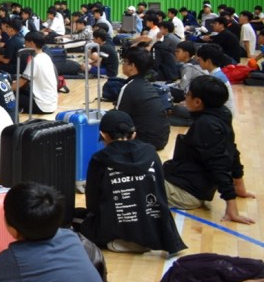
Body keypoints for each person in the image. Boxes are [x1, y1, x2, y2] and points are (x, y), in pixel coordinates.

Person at [77, 110, 186, 255]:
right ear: (133, 134)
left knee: (74, 217)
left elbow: (92, 201)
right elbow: (160, 191)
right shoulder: (150, 152)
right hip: (151, 227)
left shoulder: (100, 159)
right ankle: (142, 238)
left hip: (114, 227)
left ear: (104, 135)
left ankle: (122, 239)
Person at [162, 75, 255, 224]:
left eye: (188, 94)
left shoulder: (206, 125)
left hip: (185, 191)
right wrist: (239, 186)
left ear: (198, 102)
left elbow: (219, 163)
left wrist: (231, 205)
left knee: (125, 181)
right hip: (187, 181)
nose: (185, 96)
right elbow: (232, 150)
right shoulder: (222, 113)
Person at [115, 48, 170, 151]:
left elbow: (119, 117)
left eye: (125, 62)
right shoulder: (147, 84)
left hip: (145, 141)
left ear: (133, 66)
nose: (123, 65)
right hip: (161, 139)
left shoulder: (128, 87)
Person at [12, 32, 57, 115]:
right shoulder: (46, 56)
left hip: (42, 106)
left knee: (8, 96)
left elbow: (21, 83)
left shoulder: (35, 61)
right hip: (51, 103)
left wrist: (5, 90)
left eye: (25, 42)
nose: (24, 45)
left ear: (32, 43)